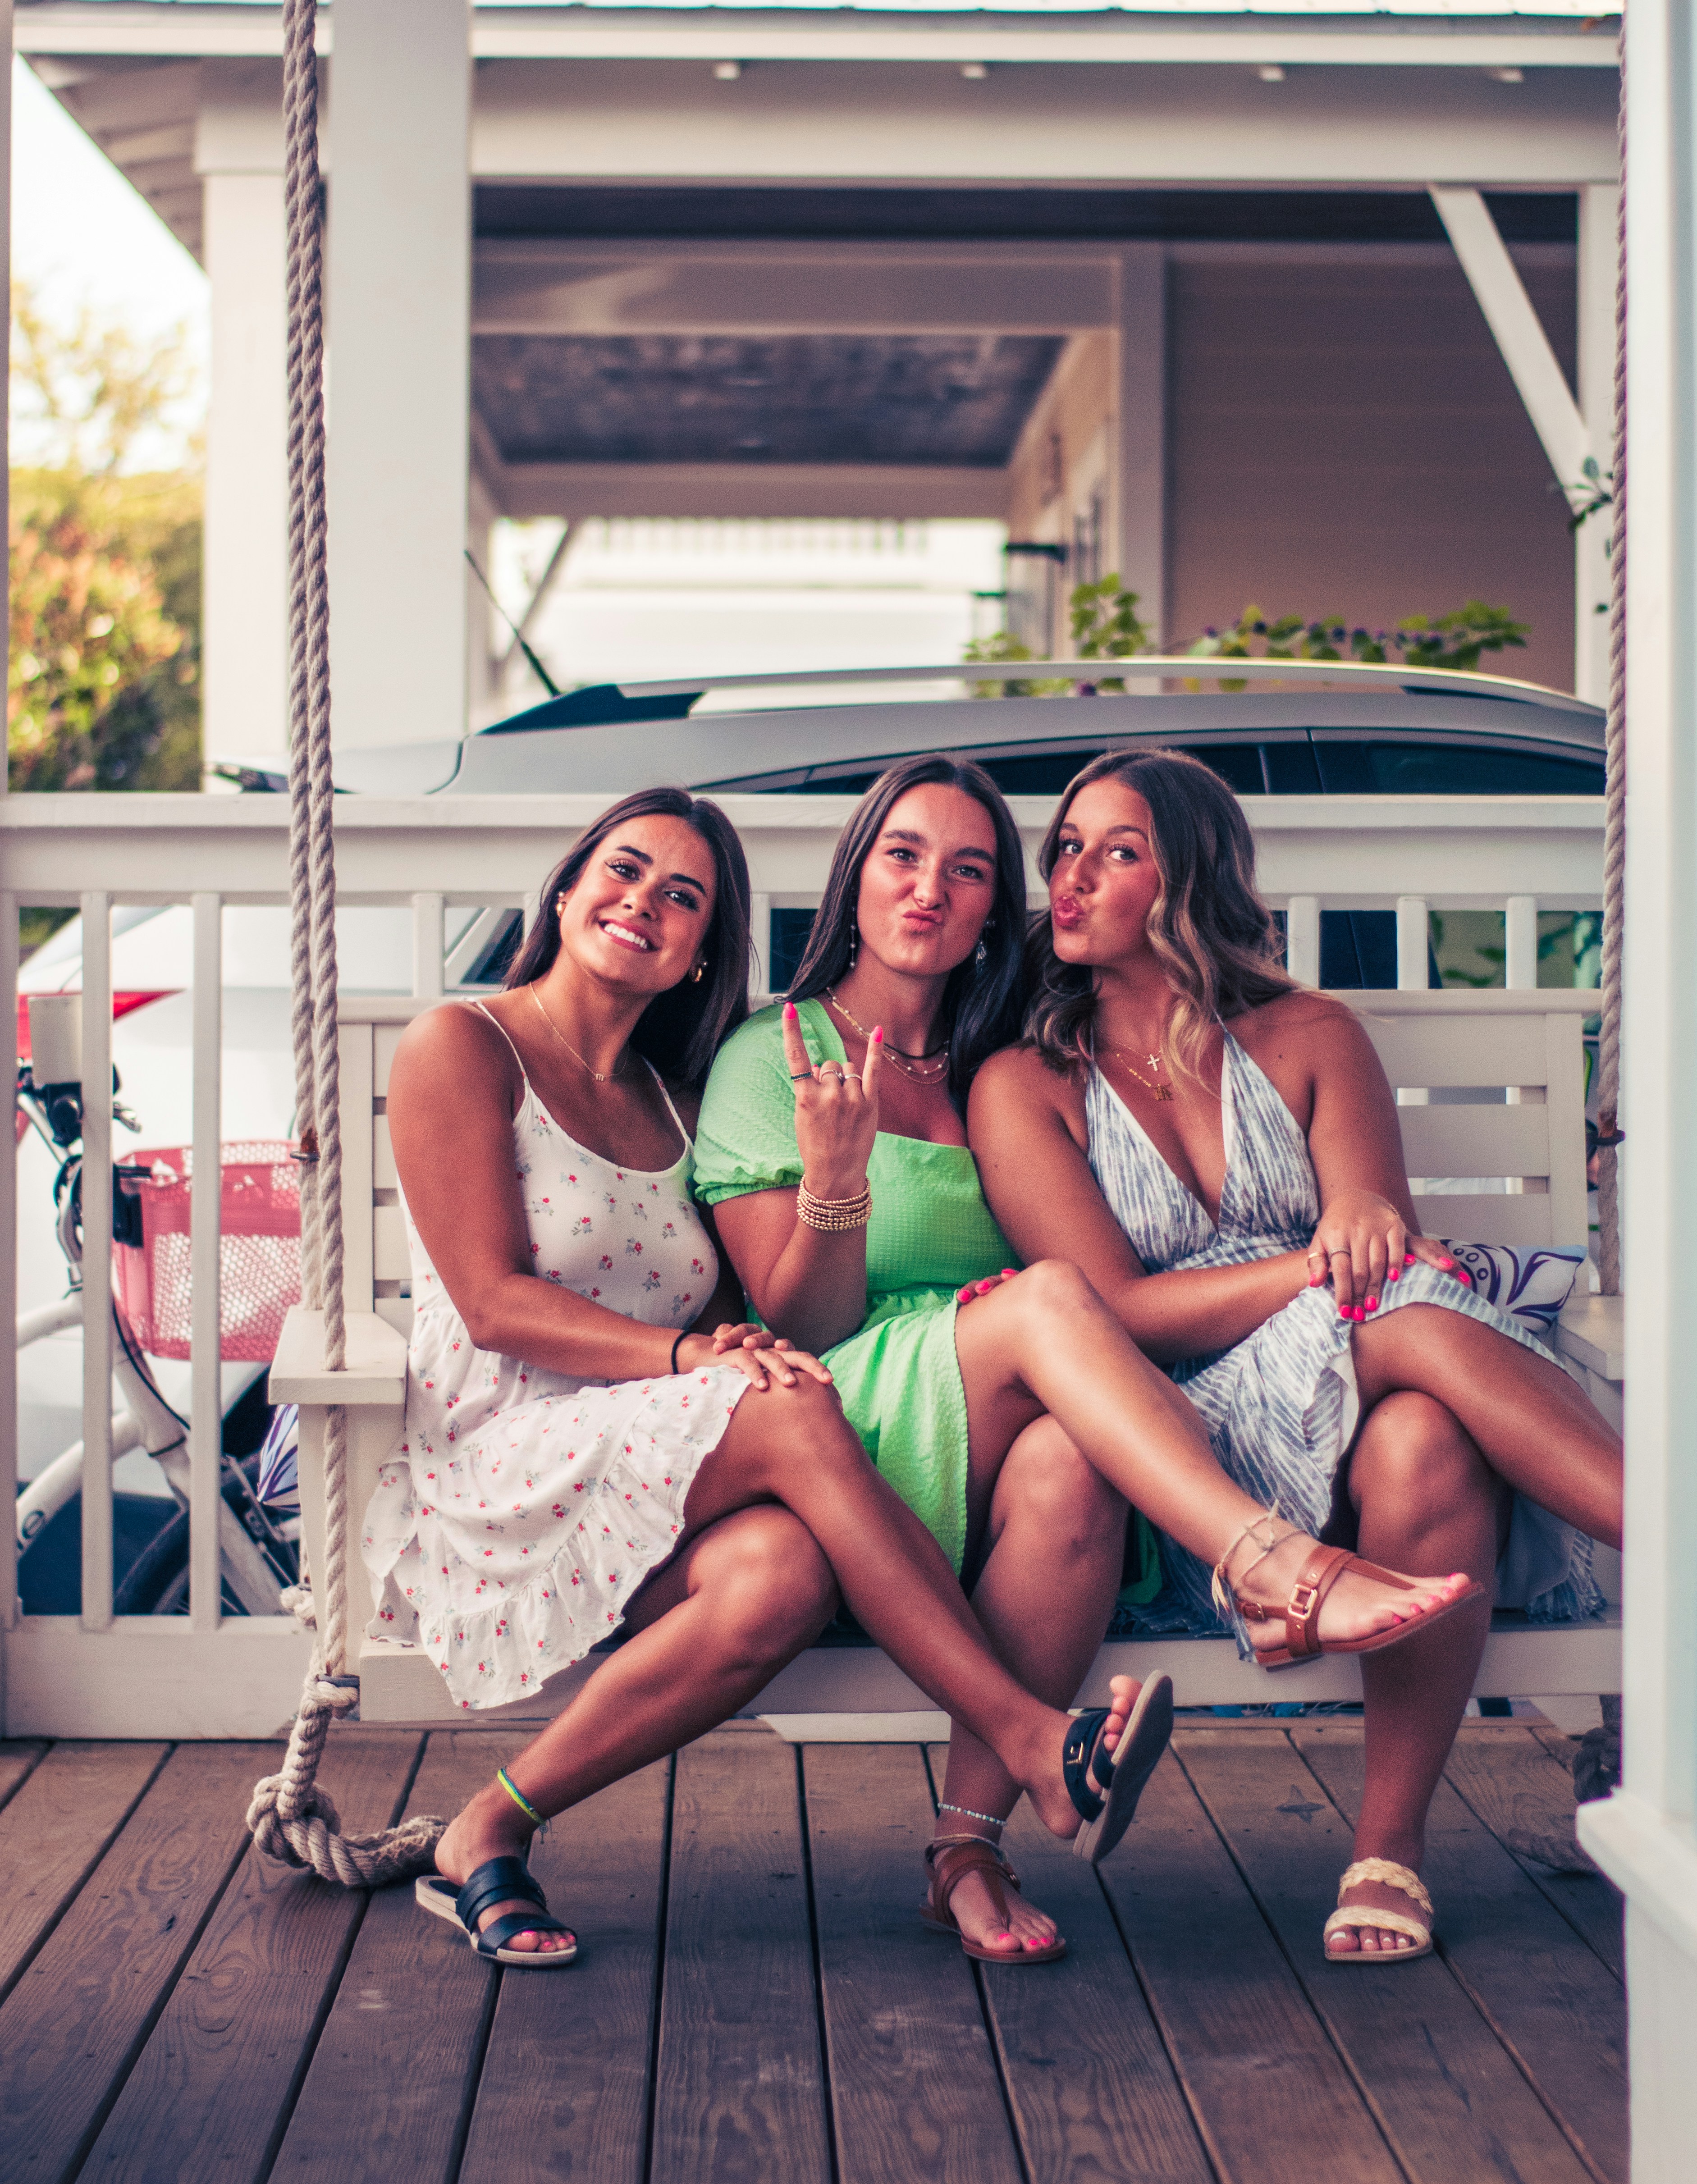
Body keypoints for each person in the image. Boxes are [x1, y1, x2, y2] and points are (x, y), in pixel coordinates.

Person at [697, 756, 1480, 1967]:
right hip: (848, 1422)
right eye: (903, 858)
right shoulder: (778, 1055)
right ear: (854, 876)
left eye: (969, 871)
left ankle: (967, 1846)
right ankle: (1269, 1566)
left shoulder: (999, 1046)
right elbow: (803, 1329)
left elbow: (1168, 1090)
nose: (931, 893)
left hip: (1043, 1398)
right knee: (1054, 1301)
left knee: (1073, 1457)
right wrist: (837, 1184)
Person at [366, 785, 1152, 1973]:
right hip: (505, 1451)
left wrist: (776, 1274)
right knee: (788, 1403)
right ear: (566, 888)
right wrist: (696, 1358)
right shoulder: (464, 1045)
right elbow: (494, 1302)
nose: (643, 905)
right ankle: (1031, 1738)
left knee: (782, 1577)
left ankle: (487, 1825)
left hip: (654, 1460)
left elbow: (755, 1309)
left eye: (682, 898)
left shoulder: (678, 1103)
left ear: (700, 956)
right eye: (623, 873)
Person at [967, 745, 1624, 1965]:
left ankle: (1389, 1852)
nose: (1072, 877)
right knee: (1406, 1315)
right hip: (1177, 1435)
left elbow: (1376, 1238)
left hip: (1371, 1389)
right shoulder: (1027, 1082)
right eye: (1066, 848)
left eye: (1119, 852)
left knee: (1426, 1432)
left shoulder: (1313, 1033)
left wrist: (1345, 1264)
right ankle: (1669, 1534)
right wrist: (1312, 1270)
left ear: (1190, 880)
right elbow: (1111, 1308)